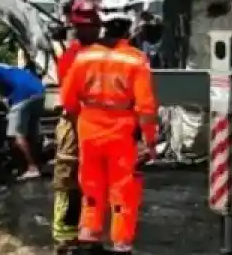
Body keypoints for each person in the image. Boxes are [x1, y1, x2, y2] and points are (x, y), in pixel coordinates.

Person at [60, 17, 158, 253]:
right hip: (122, 133)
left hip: (89, 130)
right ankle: (121, 244)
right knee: (123, 191)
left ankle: (88, 237)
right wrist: (150, 140)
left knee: (91, 187)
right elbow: (145, 107)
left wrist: (79, 123)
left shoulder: (84, 57)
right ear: (129, 28)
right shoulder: (135, 59)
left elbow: (68, 100)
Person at [52, 0, 102, 252]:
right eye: (84, 26)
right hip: (76, 123)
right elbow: (71, 103)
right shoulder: (71, 57)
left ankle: (88, 235)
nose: (89, 31)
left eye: (92, 26)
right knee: (69, 178)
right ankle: (65, 238)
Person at [0, 51, 46, 180]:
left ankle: (32, 167)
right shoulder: (5, 67)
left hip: (23, 96)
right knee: (31, 133)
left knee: (15, 135)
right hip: (39, 92)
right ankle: (37, 164)